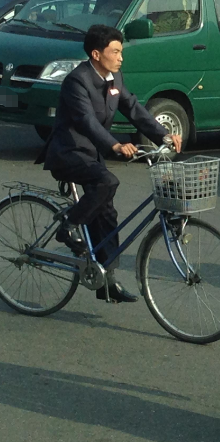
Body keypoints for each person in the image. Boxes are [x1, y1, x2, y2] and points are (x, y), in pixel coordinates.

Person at [36, 25, 182, 303]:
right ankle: (67, 225)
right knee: (107, 182)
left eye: (121, 52)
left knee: (107, 214)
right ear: (95, 54)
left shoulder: (114, 78)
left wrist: (162, 134)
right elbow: (85, 121)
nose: (120, 57)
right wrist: (114, 145)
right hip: (68, 152)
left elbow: (134, 109)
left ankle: (107, 281)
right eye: (114, 52)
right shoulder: (77, 81)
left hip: (92, 154)